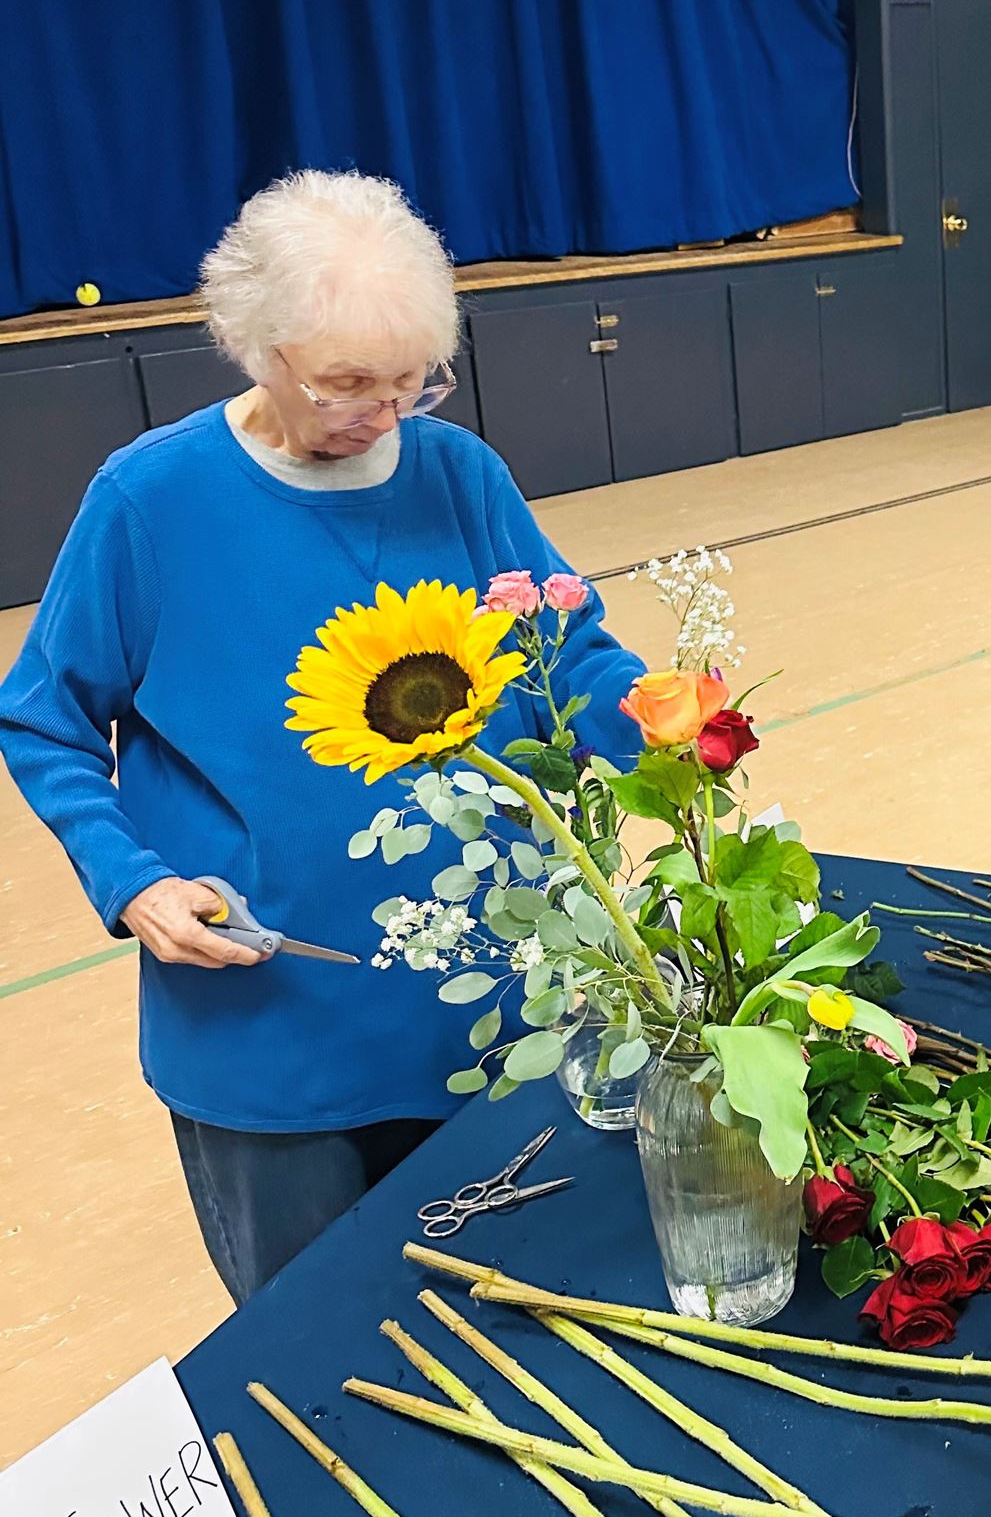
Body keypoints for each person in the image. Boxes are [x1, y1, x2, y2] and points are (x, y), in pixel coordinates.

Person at [0, 172, 646, 1303]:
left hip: (492, 1013)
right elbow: (44, 716)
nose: (383, 414)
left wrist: (660, 722)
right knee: (317, 1345)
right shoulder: (150, 499)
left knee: (517, 1328)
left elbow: (571, 650)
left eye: (413, 383)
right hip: (269, 1026)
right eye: (348, 382)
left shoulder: (462, 474)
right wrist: (135, 882)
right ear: (256, 344)